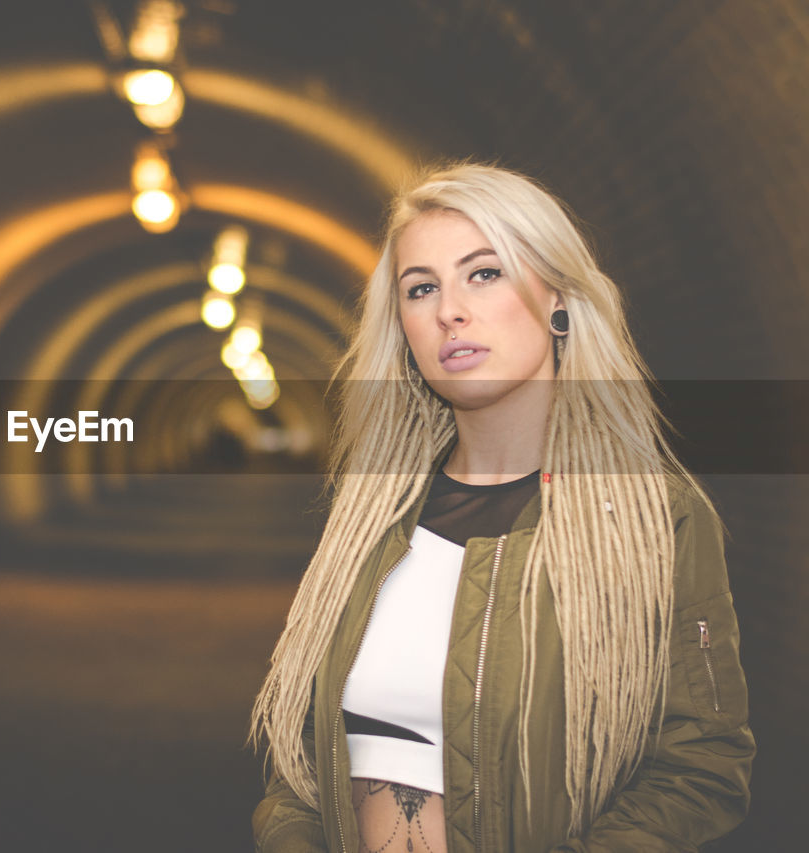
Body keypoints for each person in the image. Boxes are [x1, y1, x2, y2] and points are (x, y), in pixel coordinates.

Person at [248, 160, 755, 852]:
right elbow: (301, 755)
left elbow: (701, 766)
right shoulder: (371, 519)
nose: (449, 309)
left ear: (557, 298)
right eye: (421, 288)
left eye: (484, 272)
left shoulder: (654, 521)